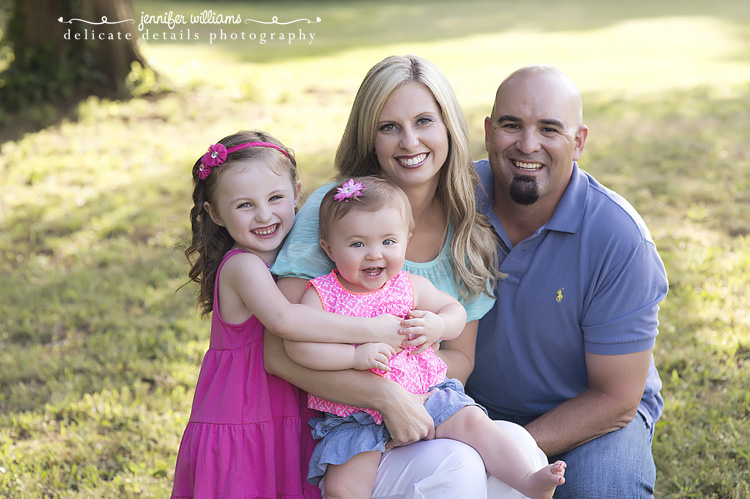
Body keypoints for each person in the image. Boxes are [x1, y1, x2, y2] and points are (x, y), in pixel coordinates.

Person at [265, 55, 548, 498]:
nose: (409, 141)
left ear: (448, 127)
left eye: (423, 121)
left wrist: (409, 392)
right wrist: (383, 397)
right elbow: (280, 354)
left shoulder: (467, 232)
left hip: (426, 404)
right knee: (458, 467)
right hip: (347, 430)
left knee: (520, 450)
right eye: (389, 126)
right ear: (369, 137)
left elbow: (461, 358)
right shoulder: (336, 212)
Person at [284, 176, 567, 499]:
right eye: (357, 244)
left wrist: (438, 325)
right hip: (356, 415)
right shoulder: (322, 295)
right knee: (342, 487)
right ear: (329, 248)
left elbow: (455, 311)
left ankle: (529, 480)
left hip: (427, 396)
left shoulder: (408, 286)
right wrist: (353, 358)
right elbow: (300, 348)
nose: (374, 254)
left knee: (475, 423)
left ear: (407, 239)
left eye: (388, 242)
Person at [466, 64, 669, 498]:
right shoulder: (454, 201)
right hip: (469, 410)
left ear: (578, 142)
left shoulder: (619, 239)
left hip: (589, 416)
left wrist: (504, 454)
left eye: (549, 129)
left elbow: (616, 398)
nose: (527, 144)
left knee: (603, 490)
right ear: (488, 131)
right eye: (511, 125)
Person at [171, 131, 410, 499]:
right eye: (244, 205)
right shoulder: (242, 267)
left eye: (275, 198)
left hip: (285, 411)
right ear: (215, 213)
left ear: (297, 192)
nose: (264, 215)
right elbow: (286, 321)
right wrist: (371, 328)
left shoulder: (296, 258)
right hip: (243, 415)